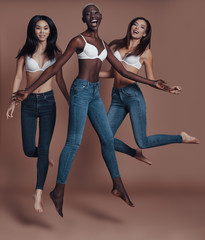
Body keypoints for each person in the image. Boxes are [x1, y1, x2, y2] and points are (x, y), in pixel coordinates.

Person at [13, 5, 180, 217]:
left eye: (96, 13)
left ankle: (118, 185)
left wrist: (153, 82)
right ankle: (58, 190)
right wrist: (27, 90)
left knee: (107, 139)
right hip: (80, 91)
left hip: (94, 93)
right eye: (88, 14)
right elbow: (54, 69)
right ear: (84, 18)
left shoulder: (103, 45)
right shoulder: (78, 40)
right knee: (74, 142)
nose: (93, 16)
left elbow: (120, 70)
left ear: (100, 17)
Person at [99, 17, 199, 165]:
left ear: (145, 34)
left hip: (133, 96)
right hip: (116, 96)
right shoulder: (118, 48)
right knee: (105, 138)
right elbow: (110, 73)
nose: (137, 28)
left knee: (143, 141)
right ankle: (134, 153)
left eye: (141, 27)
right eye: (135, 24)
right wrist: (87, 74)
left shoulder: (146, 53)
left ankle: (181, 137)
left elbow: (152, 80)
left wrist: (168, 88)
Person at [6, 15, 70, 213]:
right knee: (28, 149)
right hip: (28, 104)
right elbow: (18, 77)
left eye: (46, 28)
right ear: (33, 31)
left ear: (51, 31)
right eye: (38, 28)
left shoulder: (57, 53)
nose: (42, 32)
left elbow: (59, 79)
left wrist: (69, 99)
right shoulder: (25, 53)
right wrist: (13, 102)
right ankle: (44, 155)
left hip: (48, 103)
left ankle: (38, 193)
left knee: (43, 148)